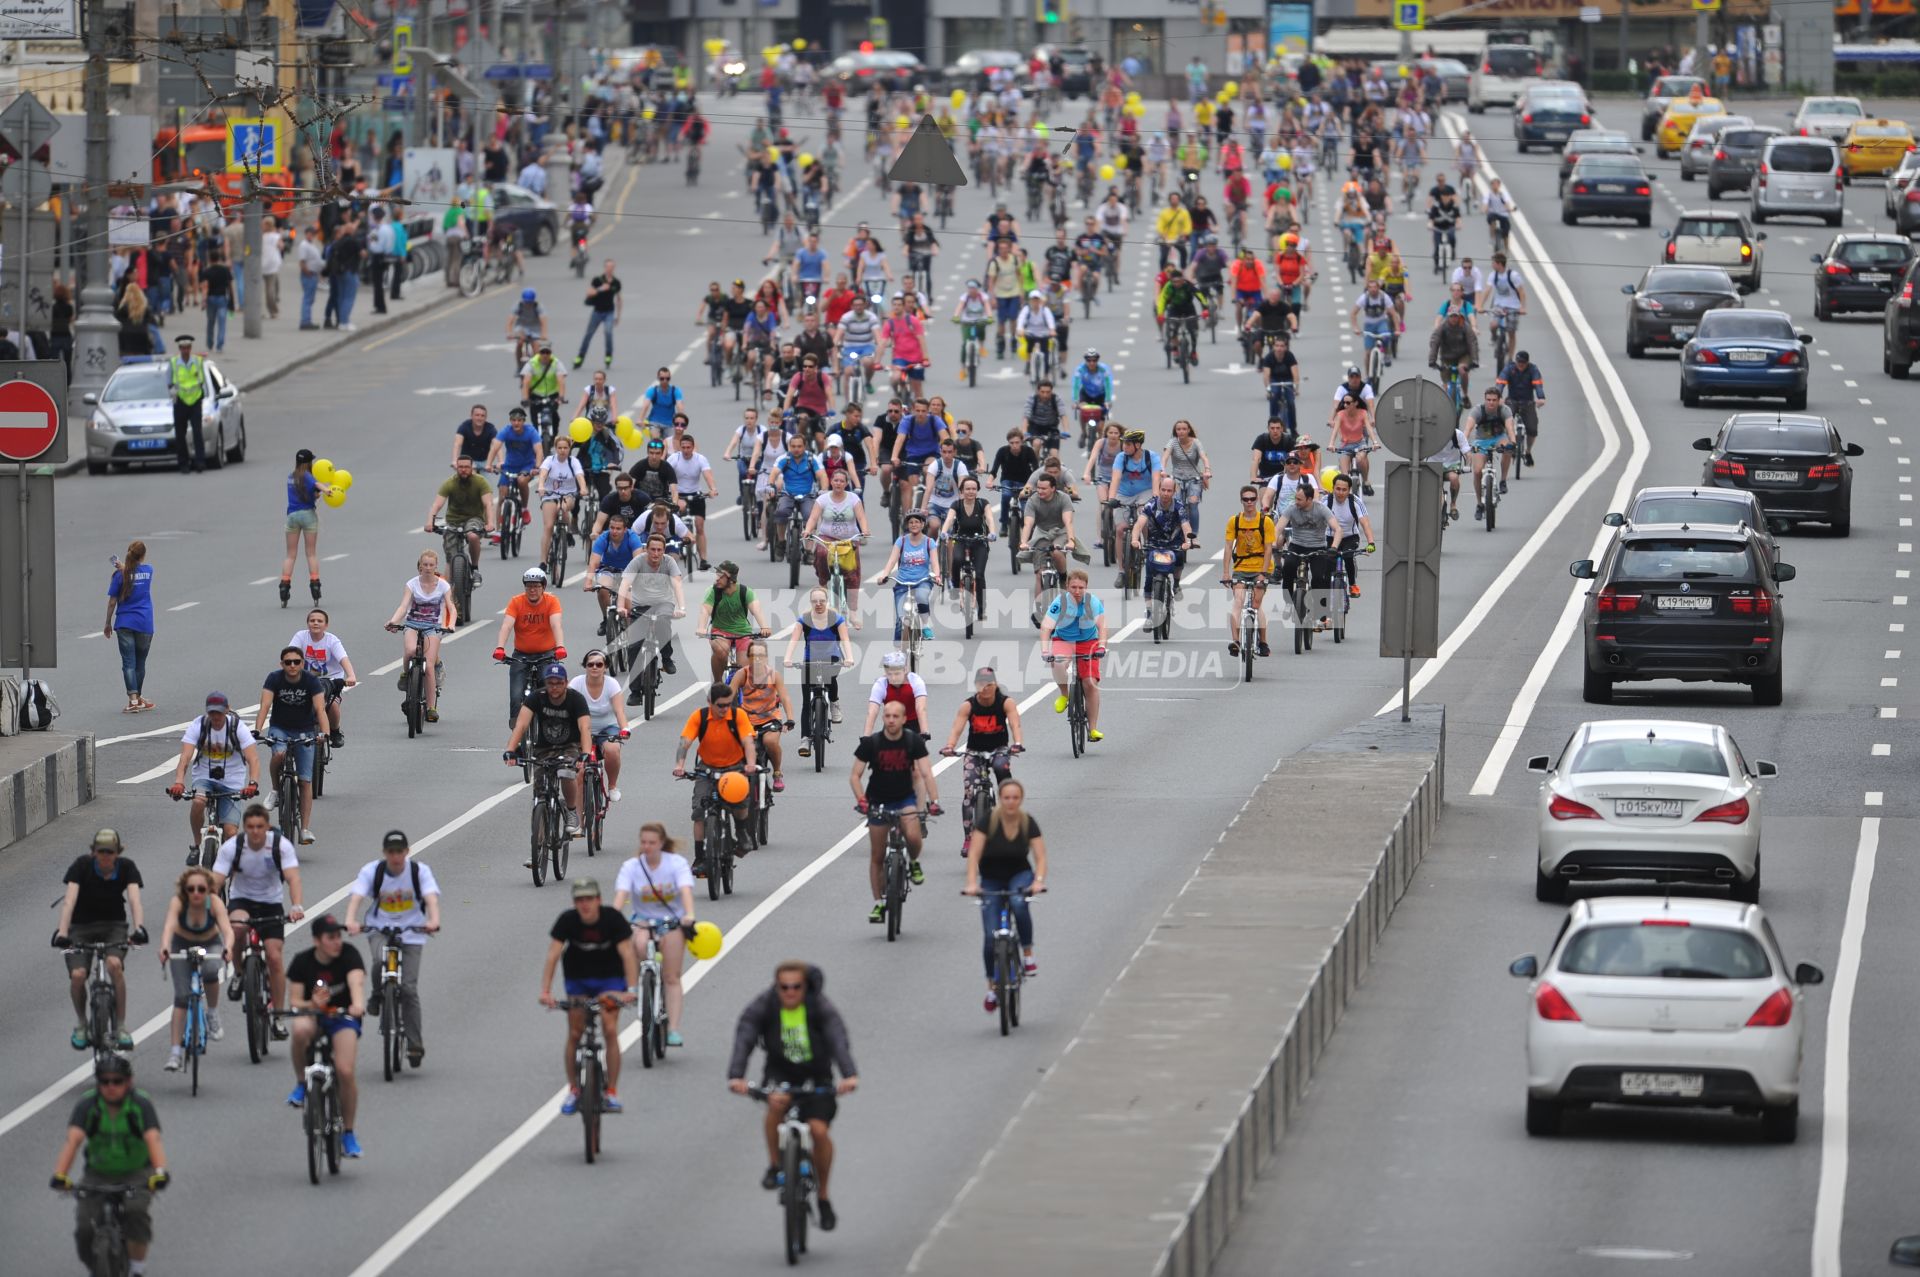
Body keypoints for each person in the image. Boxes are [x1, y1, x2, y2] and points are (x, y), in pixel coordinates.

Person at [726, 962, 858, 1230]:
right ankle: (776, 1166)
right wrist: (736, 1075)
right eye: (783, 987)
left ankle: (823, 1198)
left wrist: (849, 1074)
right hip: (780, 1073)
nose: (790, 992)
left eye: (796, 987)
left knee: (819, 1132)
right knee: (776, 1103)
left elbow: (837, 1038)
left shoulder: (819, 1007)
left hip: (816, 1077)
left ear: (805, 987)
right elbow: (746, 1032)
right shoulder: (765, 1005)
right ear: (776, 987)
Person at [50, 1054, 171, 1272]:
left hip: (137, 1172)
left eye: (117, 1081)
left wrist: (160, 1173)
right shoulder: (88, 1104)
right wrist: (60, 1174)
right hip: (97, 1174)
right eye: (104, 1082)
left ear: (128, 1082)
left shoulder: (140, 1104)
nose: (110, 1086)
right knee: (85, 1229)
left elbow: (153, 1139)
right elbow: (73, 1140)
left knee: (136, 1212)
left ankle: (137, 1269)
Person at [539, 875, 638, 1113]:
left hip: (610, 979)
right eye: (580, 900)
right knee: (574, 1033)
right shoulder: (567, 920)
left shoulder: (612, 919)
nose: (585, 904)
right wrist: (546, 991)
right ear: (575, 903)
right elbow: (553, 955)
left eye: (590, 899)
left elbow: (627, 954)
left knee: (610, 1029)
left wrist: (631, 990)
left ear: (598, 900)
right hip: (578, 980)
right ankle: (574, 1090)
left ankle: (611, 1091)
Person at [345, 830, 442, 1068]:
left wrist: (433, 921)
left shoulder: (419, 872)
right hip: (380, 928)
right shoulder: (374, 871)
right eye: (391, 852)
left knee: (409, 989)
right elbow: (357, 897)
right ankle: (378, 994)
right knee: (379, 961)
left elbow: (431, 899)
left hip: (413, 931)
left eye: (400, 852)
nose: (396, 857)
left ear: (407, 852)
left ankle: (414, 1043)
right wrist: (351, 920)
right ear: (384, 853)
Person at [53, 830, 148, 1051]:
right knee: (78, 975)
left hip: (114, 927)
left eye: (110, 852)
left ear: (117, 853)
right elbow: (69, 900)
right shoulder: (81, 866)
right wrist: (63, 932)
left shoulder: (126, 867)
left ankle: (122, 1026)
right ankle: (82, 1024)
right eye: (101, 852)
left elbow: (134, 900)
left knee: (115, 965)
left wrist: (139, 928)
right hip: (81, 928)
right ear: (93, 852)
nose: (105, 856)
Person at [282, 914, 366, 1158]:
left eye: (338, 936)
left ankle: (348, 1133)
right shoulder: (302, 962)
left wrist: (357, 1004)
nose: (337, 942)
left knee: (345, 1070)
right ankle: (301, 1083)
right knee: (299, 1029)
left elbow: (356, 982)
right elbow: (295, 1000)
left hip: (342, 1018)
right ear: (317, 941)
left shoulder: (349, 955)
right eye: (331, 938)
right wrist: (312, 1003)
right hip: (314, 1015)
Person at [962, 776, 1048, 1010]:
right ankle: (992, 988)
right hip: (990, 879)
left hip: (1019, 875)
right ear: (1000, 799)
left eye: (1015, 798)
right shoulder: (987, 822)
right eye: (1007, 798)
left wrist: (1038, 881)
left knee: (1019, 903)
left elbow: (1040, 857)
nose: (1011, 802)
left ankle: (1027, 954)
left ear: (1021, 799)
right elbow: (974, 855)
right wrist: (972, 883)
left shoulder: (1027, 822)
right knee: (991, 938)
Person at [851, 699, 940, 922]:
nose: (891, 720)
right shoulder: (871, 744)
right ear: (884, 718)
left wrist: (934, 800)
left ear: (903, 719)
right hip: (878, 800)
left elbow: (927, 773)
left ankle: (914, 862)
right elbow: (855, 776)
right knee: (877, 856)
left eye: (895, 716)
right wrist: (862, 800)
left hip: (904, 799)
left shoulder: (913, 742)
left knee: (913, 835)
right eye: (887, 716)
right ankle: (879, 904)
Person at [612, 823, 697, 1047]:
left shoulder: (675, 864)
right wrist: (611, 917)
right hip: (643, 922)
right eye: (643, 842)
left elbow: (686, 891)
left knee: (671, 976)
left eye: (652, 843)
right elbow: (621, 896)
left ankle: (673, 1030)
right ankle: (640, 983)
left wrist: (688, 915)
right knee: (638, 944)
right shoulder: (631, 867)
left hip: (671, 922)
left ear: (661, 844)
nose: (647, 847)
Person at [674, 681, 760, 870]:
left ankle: (742, 832)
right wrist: (679, 765)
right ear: (709, 702)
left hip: (734, 768)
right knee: (699, 812)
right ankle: (700, 858)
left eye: (728, 704)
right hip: (707, 769)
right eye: (720, 705)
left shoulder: (738, 715)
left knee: (739, 802)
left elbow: (748, 743)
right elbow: (685, 742)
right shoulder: (700, 716)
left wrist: (751, 764)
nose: (724, 709)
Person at [505, 661, 595, 838]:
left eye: (558, 683)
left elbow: (585, 728)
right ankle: (538, 848)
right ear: (545, 683)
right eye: (550, 683)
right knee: (539, 797)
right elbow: (521, 725)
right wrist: (511, 749)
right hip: (544, 749)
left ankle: (571, 812)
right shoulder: (536, 697)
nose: (554, 687)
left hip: (569, 747)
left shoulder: (576, 699)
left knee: (566, 773)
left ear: (565, 683)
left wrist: (585, 753)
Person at [157, 865, 233, 1070]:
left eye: (201, 889)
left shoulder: (214, 903)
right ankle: (174, 1053)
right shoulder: (178, 903)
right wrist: (164, 947)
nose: (196, 893)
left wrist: (228, 948)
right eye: (191, 889)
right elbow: (169, 928)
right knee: (181, 997)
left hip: (210, 943)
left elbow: (227, 930)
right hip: (181, 944)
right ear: (184, 890)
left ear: (208, 889)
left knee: (210, 971)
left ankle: (213, 1013)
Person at [493, 565, 568, 726]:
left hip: (546, 655)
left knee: (548, 689)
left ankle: (549, 723)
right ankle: (517, 728)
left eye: (536, 586)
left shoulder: (552, 601)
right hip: (521, 655)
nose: (532, 590)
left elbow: (556, 625)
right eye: (528, 586)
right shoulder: (516, 602)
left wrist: (560, 647)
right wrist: (500, 647)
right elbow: (506, 626)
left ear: (543, 587)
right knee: (516, 694)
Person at [1038, 570, 1108, 741]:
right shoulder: (1060, 602)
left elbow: (1102, 627)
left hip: (1088, 642)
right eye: (1073, 587)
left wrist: (1101, 646)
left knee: (1090, 684)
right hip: (1064, 640)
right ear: (1067, 586)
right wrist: (1045, 650)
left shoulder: (1093, 602)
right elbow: (1046, 627)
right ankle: (1064, 694)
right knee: (1058, 664)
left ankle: (1092, 729)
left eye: (1081, 587)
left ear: (1086, 587)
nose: (1077, 591)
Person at [783, 588, 856, 734]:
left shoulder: (836, 619)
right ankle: (805, 738)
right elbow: (794, 640)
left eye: (822, 601)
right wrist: (787, 658)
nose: (818, 604)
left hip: (832, 658)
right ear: (810, 602)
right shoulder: (804, 620)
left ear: (827, 601)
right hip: (811, 659)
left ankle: (834, 703)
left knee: (829, 678)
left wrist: (849, 657)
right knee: (806, 702)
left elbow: (845, 639)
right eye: (815, 601)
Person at [616, 533, 687, 684]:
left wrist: (681, 607)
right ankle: (635, 691)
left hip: (664, 604)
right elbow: (624, 585)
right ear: (646, 550)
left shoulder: (669, 562)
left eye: (659, 550)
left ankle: (667, 659)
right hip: (640, 606)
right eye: (652, 549)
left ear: (664, 551)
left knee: (663, 622)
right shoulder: (637, 562)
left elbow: (677, 585)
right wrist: (620, 606)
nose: (656, 553)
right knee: (634, 645)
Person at [1278, 478, 1343, 633]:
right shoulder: (1291, 508)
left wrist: (1333, 547)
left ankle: (1321, 615)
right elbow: (1278, 528)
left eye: (1299, 499)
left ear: (1309, 499)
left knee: (1319, 577)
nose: (1296, 502)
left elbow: (1338, 530)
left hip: (1317, 548)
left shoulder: (1321, 509)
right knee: (1288, 568)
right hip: (1297, 545)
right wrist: (1274, 545)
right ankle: (1288, 602)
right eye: (1296, 498)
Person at [571, 648, 632, 801]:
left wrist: (625, 728)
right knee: (579, 770)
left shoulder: (612, 684)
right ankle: (577, 814)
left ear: (605, 667)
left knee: (612, 749)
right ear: (585, 666)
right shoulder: (576, 684)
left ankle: (612, 786)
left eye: (599, 664)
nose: (595, 668)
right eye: (590, 664)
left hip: (607, 728)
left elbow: (619, 711)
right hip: (582, 729)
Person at [1224, 485, 1278, 656]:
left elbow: (1269, 549)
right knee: (1238, 601)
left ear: (1256, 500)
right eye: (1246, 499)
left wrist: (1263, 573)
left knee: (1256, 604)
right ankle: (1236, 641)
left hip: (1261, 568)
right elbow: (1227, 547)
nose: (1249, 502)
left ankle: (1263, 642)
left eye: (1252, 499)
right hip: (1241, 568)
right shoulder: (1235, 521)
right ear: (1241, 501)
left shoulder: (1265, 521)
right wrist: (1226, 572)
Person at [105, 541, 156, 714]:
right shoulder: (148, 571)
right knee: (140, 663)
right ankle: (138, 698)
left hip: (124, 623)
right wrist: (124, 567)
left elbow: (112, 602)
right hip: (145, 623)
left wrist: (107, 623)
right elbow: (135, 570)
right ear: (143, 556)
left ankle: (133, 700)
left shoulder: (120, 576)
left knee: (128, 662)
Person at [699, 560, 771, 679]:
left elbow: (757, 610)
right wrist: (701, 627)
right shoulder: (713, 591)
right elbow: (705, 611)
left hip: (742, 633)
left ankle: (740, 692)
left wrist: (764, 627)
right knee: (721, 651)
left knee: (743, 670)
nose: (717, 579)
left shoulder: (745, 592)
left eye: (721, 577)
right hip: (720, 631)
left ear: (731, 579)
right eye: (716, 576)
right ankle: (718, 682)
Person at [877, 508, 940, 642]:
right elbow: (892, 560)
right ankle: (898, 651)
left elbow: (935, 562)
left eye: (917, 522)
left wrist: (937, 576)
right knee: (900, 621)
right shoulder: (902, 541)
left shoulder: (929, 542)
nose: (914, 524)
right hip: (903, 582)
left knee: (921, 596)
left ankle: (925, 626)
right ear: (907, 525)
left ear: (923, 524)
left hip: (922, 580)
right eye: (911, 522)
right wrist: (884, 575)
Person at [427, 453, 497, 573]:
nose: (463, 470)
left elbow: (488, 504)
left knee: (472, 536)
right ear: (456, 468)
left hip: (475, 518)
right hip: (453, 520)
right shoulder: (450, 483)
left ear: (472, 468)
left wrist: (490, 523)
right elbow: (437, 504)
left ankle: (474, 568)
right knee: (451, 559)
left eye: (466, 467)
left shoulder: (480, 482)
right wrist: (430, 522)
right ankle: (449, 590)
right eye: (460, 467)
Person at [281, 449, 333, 607]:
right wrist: (326, 490)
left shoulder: (291, 477)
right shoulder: (308, 477)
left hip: (292, 516)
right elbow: (315, 484)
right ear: (309, 463)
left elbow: (304, 492)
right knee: (310, 553)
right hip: (308, 516)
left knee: (291, 554)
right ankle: (315, 584)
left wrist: (315, 494)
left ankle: (284, 585)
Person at [1464, 385, 1518, 518]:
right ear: (1485, 399)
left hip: (1499, 438)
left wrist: (1513, 442)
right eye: (1488, 400)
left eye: (1494, 400)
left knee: (1507, 448)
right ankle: (1479, 504)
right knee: (1477, 471)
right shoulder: (1477, 410)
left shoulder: (1505, 410)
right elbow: (1467, 430)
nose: (1491, 402)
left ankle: (1503, 480)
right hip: (1481, 441)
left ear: (1499, 400)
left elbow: (1510, 428)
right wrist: (1464, 446)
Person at [166, 334, 210, 474]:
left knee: (197, 432)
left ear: (190, 348)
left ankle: (200, 462)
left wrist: (201, 395)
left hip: (195, 400)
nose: (185, 351)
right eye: (182, 348)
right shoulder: (173, 363)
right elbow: (169, 382)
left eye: (187, 348)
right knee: (180, 434)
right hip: (180, 401)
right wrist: (174, 393)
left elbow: (201, 380)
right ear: (179, 349)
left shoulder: (198, 361)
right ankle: (183, 463)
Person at [1496, 349, 1546, 468]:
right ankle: (1510, 443)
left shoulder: (1533, 370)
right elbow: (1500, 383)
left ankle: (1528, 451)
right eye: (1518, 362)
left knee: (1532, 428)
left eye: (1523, 363)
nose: (1520, 365)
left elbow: (1538, 385)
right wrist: (1498, 396)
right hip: (1512, 400)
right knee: (1505, 420)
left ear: (1527, 363)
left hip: (1528, 401)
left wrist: (1541, 398)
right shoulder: (1509, 368)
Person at [577, 258, 622, 369]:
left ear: (614, 268)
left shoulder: (616, 283)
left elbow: (619, 299)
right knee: (588, 334)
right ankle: (580, 357)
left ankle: (608, 355)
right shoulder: (597, 280)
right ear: (605, 268)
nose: (609, 269)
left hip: (609, 312)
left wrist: (618, 316)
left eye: (612, 267)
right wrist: (601, 289)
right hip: (597, 312)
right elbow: (589, 293)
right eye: (608, 267)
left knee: (608, 333)